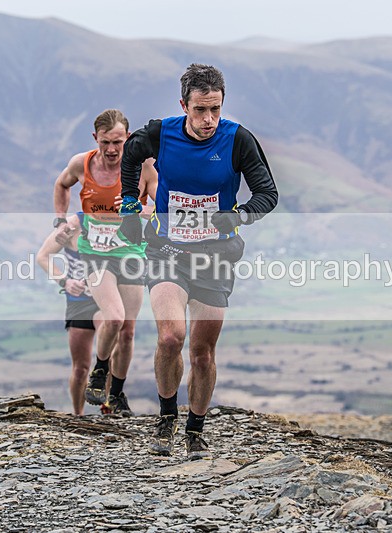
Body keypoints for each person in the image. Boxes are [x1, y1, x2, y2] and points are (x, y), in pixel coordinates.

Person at [119, 64, 279, 459]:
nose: (209, 120)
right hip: (167, 250)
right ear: (183, 105)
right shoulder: (161, 132)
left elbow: (268, 194)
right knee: (171, 336)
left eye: (216, 109)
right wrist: (128, 202)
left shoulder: (237, 140)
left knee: (202, 352)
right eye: (200, 110)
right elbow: (130, 156)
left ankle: (195, 430)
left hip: (214, 256)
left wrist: (238, 215)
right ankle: (166, 416)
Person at [53, 109, 157, 416]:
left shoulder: (143, 168)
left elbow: (161, 207)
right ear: (95, 138)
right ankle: (100, 373)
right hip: (95, 254)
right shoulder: (80, 164)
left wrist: (137, 211)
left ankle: (117, 393)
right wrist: (59, 218)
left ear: (128, 137)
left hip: (130, 254)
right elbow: (62, 185)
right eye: (105, 142)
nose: (112, 150)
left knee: (128, 331)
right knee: (114, 318)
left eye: (118, 142)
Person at [36, 213, 110, 416]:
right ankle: (78, 413)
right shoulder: (71, 225)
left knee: (109, 348)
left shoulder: (113, 220)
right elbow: (42, 256)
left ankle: (108, 406)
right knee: (80, 368)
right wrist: (65, 281)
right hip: (79, 301)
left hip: (105, 298)